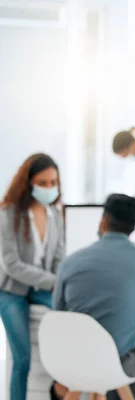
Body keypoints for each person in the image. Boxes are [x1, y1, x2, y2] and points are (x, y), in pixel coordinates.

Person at [50, 194, 135, 400]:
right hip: (116, 369)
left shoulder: (70, 262)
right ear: (133, 227)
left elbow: (58, 313)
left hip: (74, 365)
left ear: (103, 220)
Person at [0, 153, 65, 400]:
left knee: (68, 325)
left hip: (42, 288)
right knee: (22, 360)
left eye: (53, 182)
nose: (49, 188)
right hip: (10, 291)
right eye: (43, 183)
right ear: (28, 183)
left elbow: (59, 257)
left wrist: (58, 282)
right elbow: (11, 264)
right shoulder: (8, 213)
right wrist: (52, 282)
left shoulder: (55, 215)